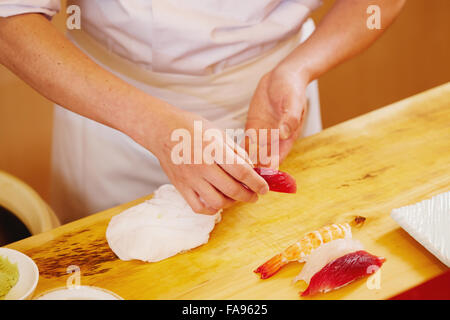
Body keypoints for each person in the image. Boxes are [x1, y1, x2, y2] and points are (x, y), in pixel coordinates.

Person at [0, 0, 405, 224]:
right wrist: (151, 123)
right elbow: (10, 18)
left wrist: (299, 69)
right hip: (117, 116)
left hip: (278, 102)